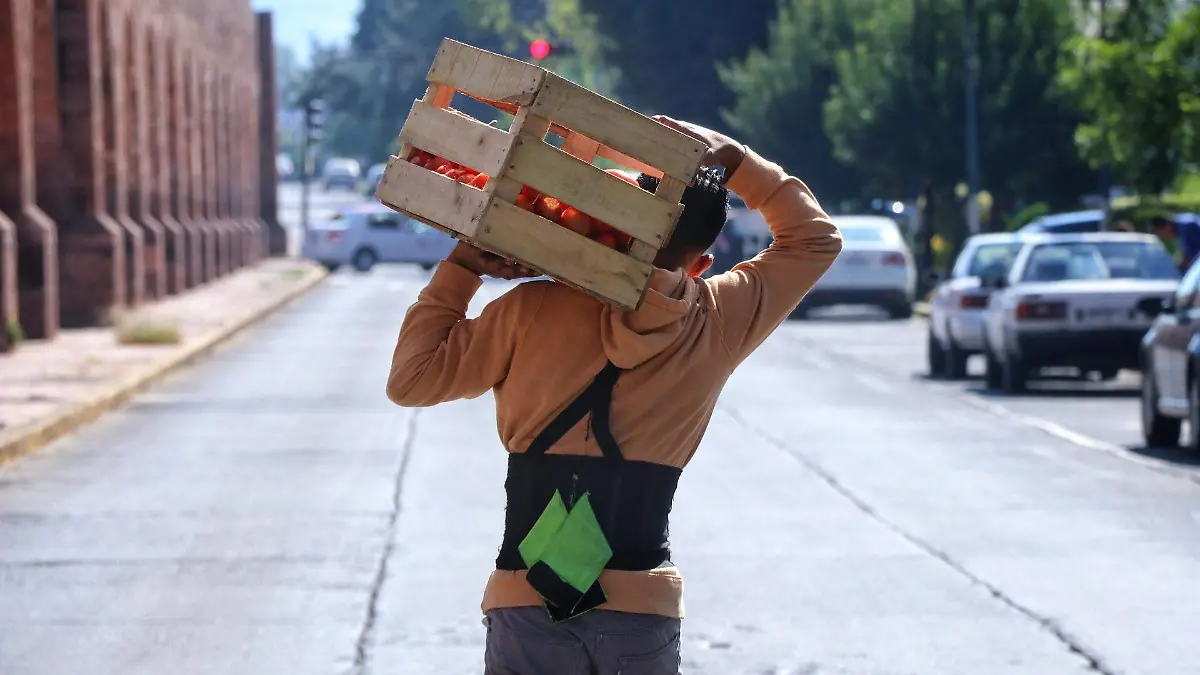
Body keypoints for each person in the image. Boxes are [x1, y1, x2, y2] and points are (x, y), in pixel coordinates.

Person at [385, 116, 842, 674]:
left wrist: (462, 270)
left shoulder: (530, 309)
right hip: (641, 609)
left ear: (616, 228)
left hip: (528, 601)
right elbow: (815, 239)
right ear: (701, 263)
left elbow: (411, 379)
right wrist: (738, 159)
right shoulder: (718, 320)